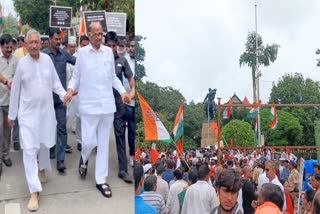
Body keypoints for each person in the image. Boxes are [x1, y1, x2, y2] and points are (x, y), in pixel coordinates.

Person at [65, 22, 129, 197]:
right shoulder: (82, 54)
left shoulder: (108, 53)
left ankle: (101, 180)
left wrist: (123, 92)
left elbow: (113, 78)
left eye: (101, 34)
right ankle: (84, 158)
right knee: (88, 142)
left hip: (107, 105)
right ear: (90, 35)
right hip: (88, 105)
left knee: (102, 144)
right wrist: (70, 90)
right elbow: (76, 76)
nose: (100, 37)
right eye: (96, 34)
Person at [8, 29, 67, 212]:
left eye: (36, 42)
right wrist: (12, 115)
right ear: (25, 45)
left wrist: (64, 95)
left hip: (45, 113)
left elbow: (56, 83)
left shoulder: (47, 60)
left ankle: (42, 168)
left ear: (41, 44)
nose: (34, 45)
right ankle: (34, 191)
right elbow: (15, 90)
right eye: (30, 42)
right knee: (29, 149)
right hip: (27, 116)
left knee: (44, 144)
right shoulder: (22, 65)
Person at [42, 28, 76, 172]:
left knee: (61, 128)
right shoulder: (43, 55)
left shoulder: (64, 54)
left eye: (59, 39)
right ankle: (50, 149)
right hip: (46, 99)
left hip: (61, 99)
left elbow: (78, 64)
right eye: (56, 39)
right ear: (49, 39)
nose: (58, 42)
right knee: (48, 126)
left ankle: (60, 160)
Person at [105, 31, 135, 182]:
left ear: (117, 46)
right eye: (108, 45)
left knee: (120, 134)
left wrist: (130, 94)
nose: (111, 48)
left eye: (113, 45)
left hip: (118, 101)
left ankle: (123, 170)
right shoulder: (99, 60)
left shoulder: (122, 60)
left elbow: (131, 82)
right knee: (95, 136)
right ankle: (84, 162)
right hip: (101, 101)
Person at [0, 34, 18, 176]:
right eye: (7, 47)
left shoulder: (16, 60)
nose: (9, 50)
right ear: (1, 46)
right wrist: (7, 81)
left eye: (11, 47)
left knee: (7, 131)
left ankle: (5, 155)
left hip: (10, 102)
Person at [124, 38, 135, 167]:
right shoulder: (125, 60)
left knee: (133, 130)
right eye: (130, 46)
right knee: (130, 130)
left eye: (134, 46)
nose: (132, 48)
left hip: (136, 102)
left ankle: (133, 154)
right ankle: (131, 154)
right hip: (127, 101)